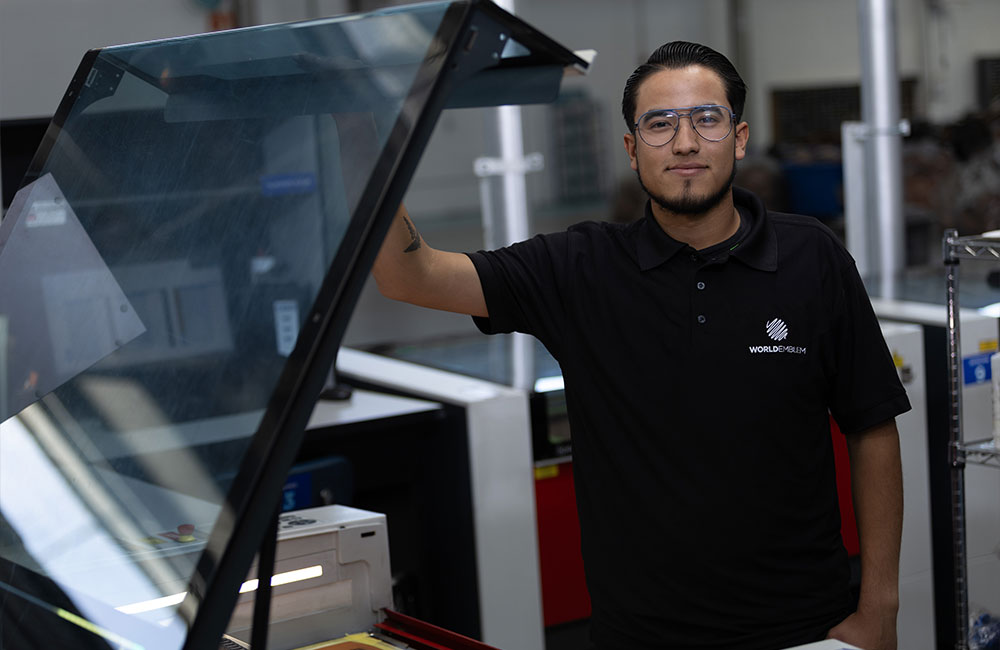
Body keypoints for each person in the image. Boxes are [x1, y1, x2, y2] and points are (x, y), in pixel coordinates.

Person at [372, 41, 909, 650]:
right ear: (632, 149)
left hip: (804, 629)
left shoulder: (813, 257)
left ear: (738, 138)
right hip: (640, 637)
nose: (685, 143)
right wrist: (371, 139)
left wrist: (880, 607)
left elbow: (872, 427)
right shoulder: (579, 269)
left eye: (706, 119)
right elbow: (409, 275)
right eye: (660, 125)